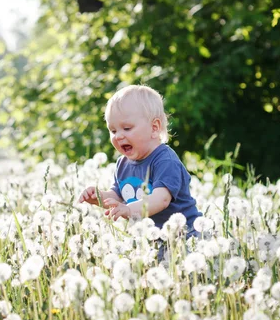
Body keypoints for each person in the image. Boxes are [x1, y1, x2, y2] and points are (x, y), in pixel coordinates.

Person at [79, 85, 201, 241]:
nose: (118, 136)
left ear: (154, 128)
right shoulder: (123, 163)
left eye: (127, 128)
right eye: (113, 130)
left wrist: (128, 210)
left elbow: (161, 199)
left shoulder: (165, 161)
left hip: (186, 236)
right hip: (154, 241)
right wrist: (99, 197)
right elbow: (118, 196)